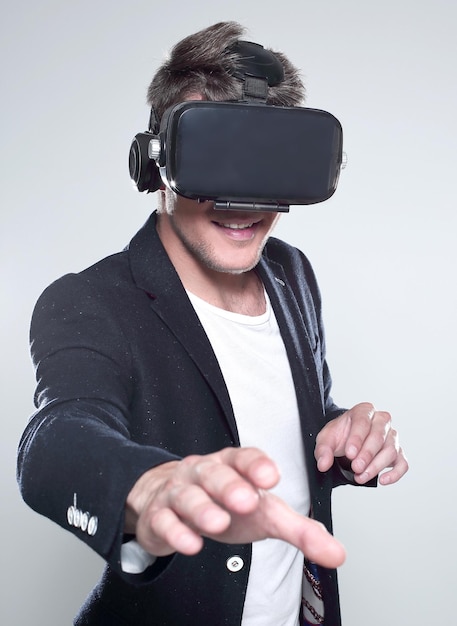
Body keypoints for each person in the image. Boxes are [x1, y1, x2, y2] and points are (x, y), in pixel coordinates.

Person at [17, 21, 408, 626]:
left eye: (263, 165)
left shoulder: (292, 274)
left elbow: (281, 416)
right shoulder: (91, 301)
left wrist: (344, 438)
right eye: (217, 158)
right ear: (154, 164)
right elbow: (57, 435)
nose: (244, 203)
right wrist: (142, 488)